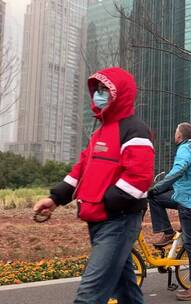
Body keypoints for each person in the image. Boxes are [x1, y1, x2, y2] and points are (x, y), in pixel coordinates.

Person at [33, 67, 155, 303]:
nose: (99, 95)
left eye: (105, 90)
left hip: (118, 221)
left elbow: (139, 177)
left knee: (89, 295)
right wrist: (55, 198)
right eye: (97, 90)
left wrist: (106, 202)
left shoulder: (135, 130)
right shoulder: (100, 133)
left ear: (120, 94)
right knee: (126, 290)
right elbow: (81, 170)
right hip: (99, 219)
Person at [147, 122, 191, 301]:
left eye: (175, 132)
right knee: (156, 198)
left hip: (189, 201)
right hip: (190, 196)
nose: (174, 134)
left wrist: (157, 187)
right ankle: (168, 232)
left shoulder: (184, 149)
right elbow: (182, 174)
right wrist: (160, 188)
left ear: (180, 136)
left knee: (190, 243)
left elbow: (179, 170)